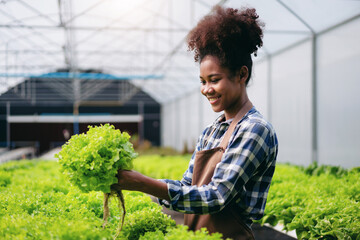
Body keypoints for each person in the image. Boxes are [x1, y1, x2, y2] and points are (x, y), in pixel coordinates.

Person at [112, 5, 278, 240]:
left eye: (214, 80)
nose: (206, 89)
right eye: (202, 81)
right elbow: (188, 186)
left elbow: (216, 197)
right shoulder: (211, 131)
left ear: (242, 75)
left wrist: (143, 183)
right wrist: (136, 179)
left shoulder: (255, 129)